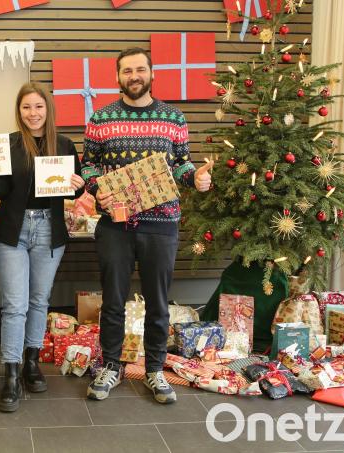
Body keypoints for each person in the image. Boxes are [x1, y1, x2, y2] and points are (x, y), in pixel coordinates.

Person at [80, 47, 214, 404]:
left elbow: (183, 164)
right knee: (113, 301)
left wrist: (196, 178)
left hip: (161, 224)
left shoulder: (173, 116)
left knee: (158, 303)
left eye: (140, 69)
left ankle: (154, 369)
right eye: (127, 70)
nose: (134, 76)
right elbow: (87, 165)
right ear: (118, 76)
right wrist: (99, 190)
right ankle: (111, 366)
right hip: (115, 226)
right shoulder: (102, 116)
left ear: (152, 73)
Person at [0, 83, 84, 412]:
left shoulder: (63, 145)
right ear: (19, 111)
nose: (32, 114)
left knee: (38, 301)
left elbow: (71, 190)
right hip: (12, 231)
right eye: (25, 108)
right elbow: (3, 190)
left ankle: (31, 363)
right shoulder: (8, 144)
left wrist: (78, 186)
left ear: (47, 110)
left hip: (50, 229)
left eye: (38, 107)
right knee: (14, 305)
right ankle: (10, 374)